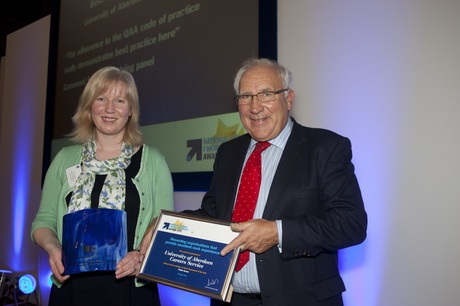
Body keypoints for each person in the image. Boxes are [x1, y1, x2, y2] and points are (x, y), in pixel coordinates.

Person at [186, 58, 367, 305]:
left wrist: (277, 232)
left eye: (266, 94)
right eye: (245, 96)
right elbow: (213, 216)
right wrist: (165, 227)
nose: (255, 107)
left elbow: (350, 224)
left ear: (288, 99)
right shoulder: (228, 153)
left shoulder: (326, 148)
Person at [31, 66, 174, 305]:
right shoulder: (64, 159)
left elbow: (165, 226)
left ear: (130, 110)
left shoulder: (153, 161)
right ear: (89, 106)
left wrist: (141, 256)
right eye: (101, 98)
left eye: (120, 100)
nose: (110, 109)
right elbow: (42, 221)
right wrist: (53, 247)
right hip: (71, 289)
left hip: (132, 290)